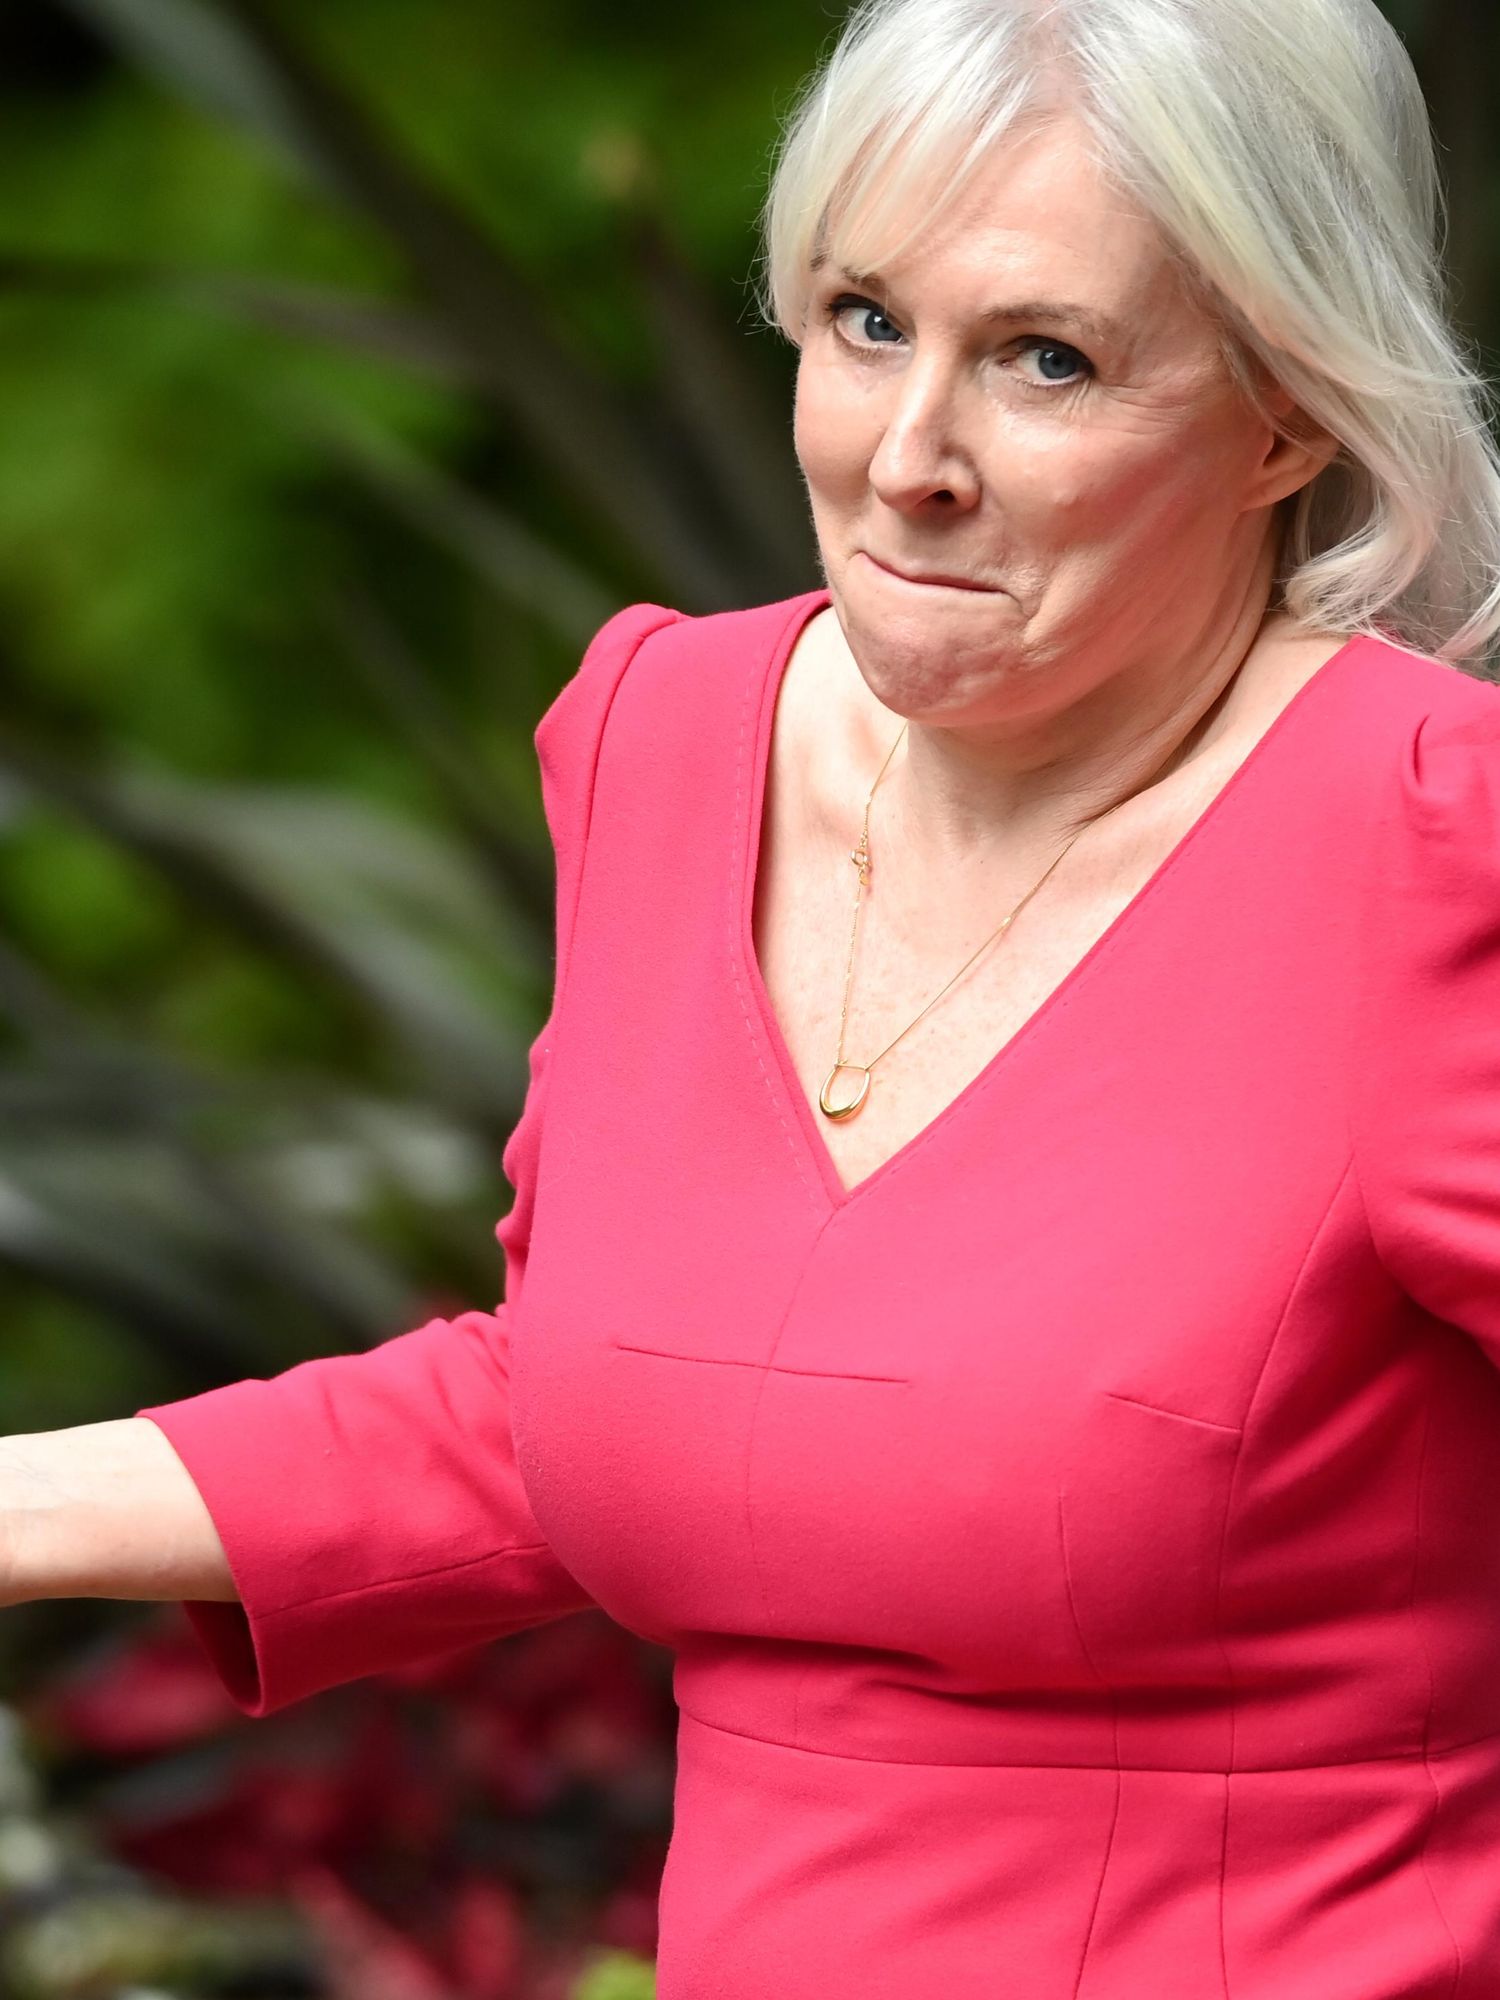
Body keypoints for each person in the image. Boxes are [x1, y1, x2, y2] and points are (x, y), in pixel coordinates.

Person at [6, 0, 1500, 1990]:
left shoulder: (1427, 844)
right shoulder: (670, 731)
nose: (907, 461)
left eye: (1045, 359)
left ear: (1290, 413)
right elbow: (592, 1394)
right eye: (867, 321)